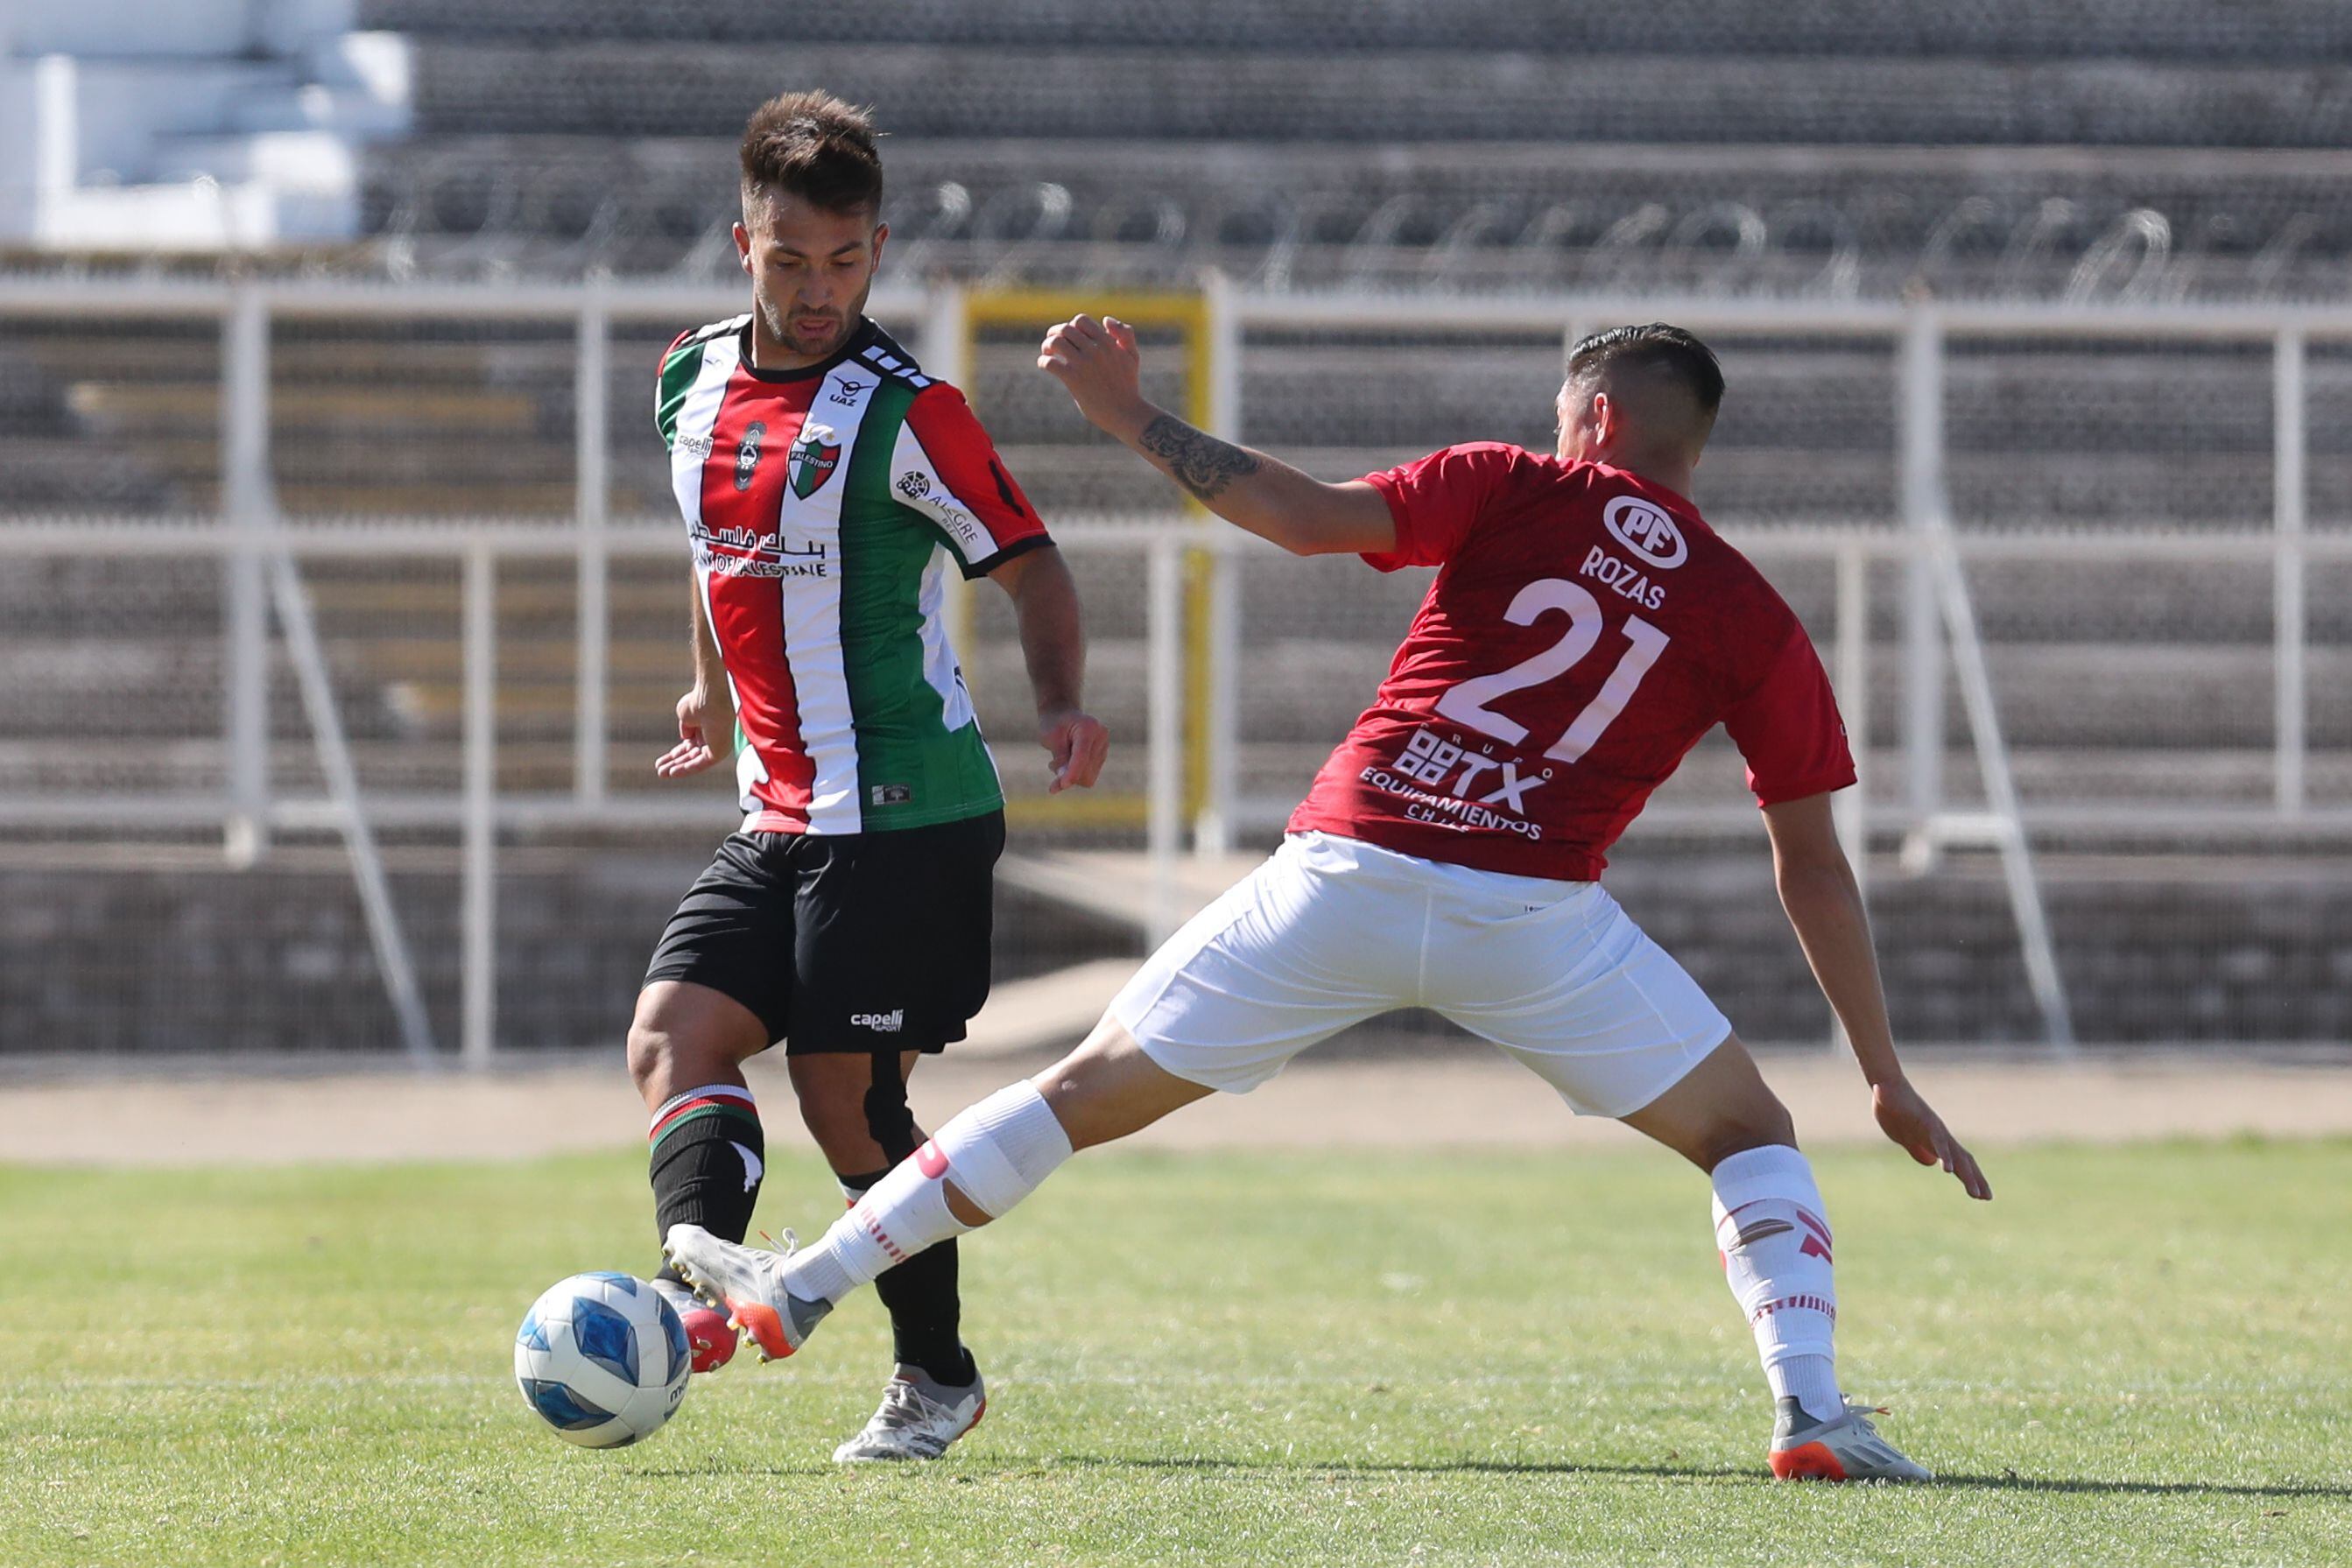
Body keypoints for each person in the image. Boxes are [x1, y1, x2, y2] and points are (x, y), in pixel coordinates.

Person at [666, 314, 1990, 1482]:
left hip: (1347, 874)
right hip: (1531, 920)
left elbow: (1303, 517)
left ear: (1593, 418)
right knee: (1750, 1136)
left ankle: (800, 1287)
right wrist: (1880, 1073)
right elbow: (1809, 857)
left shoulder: (1511, 484)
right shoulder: (1746, 611)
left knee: (1073, 1100)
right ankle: (1808, 1408)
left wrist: (1129, 417)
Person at [632, 92, 1108, 1464]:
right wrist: (711, 691)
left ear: (877, 248)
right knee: (676, 1033)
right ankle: (692, 1275)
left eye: (845, 263)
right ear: (744, 243)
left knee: (845, 1093)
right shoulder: (687, 376)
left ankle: (935, 1378)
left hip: (908, 812)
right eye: (789, 260)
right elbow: (714, 545)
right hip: (774, 806)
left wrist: (1063, 702)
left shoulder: (911, 415)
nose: (818, 289)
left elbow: (1032, 567)